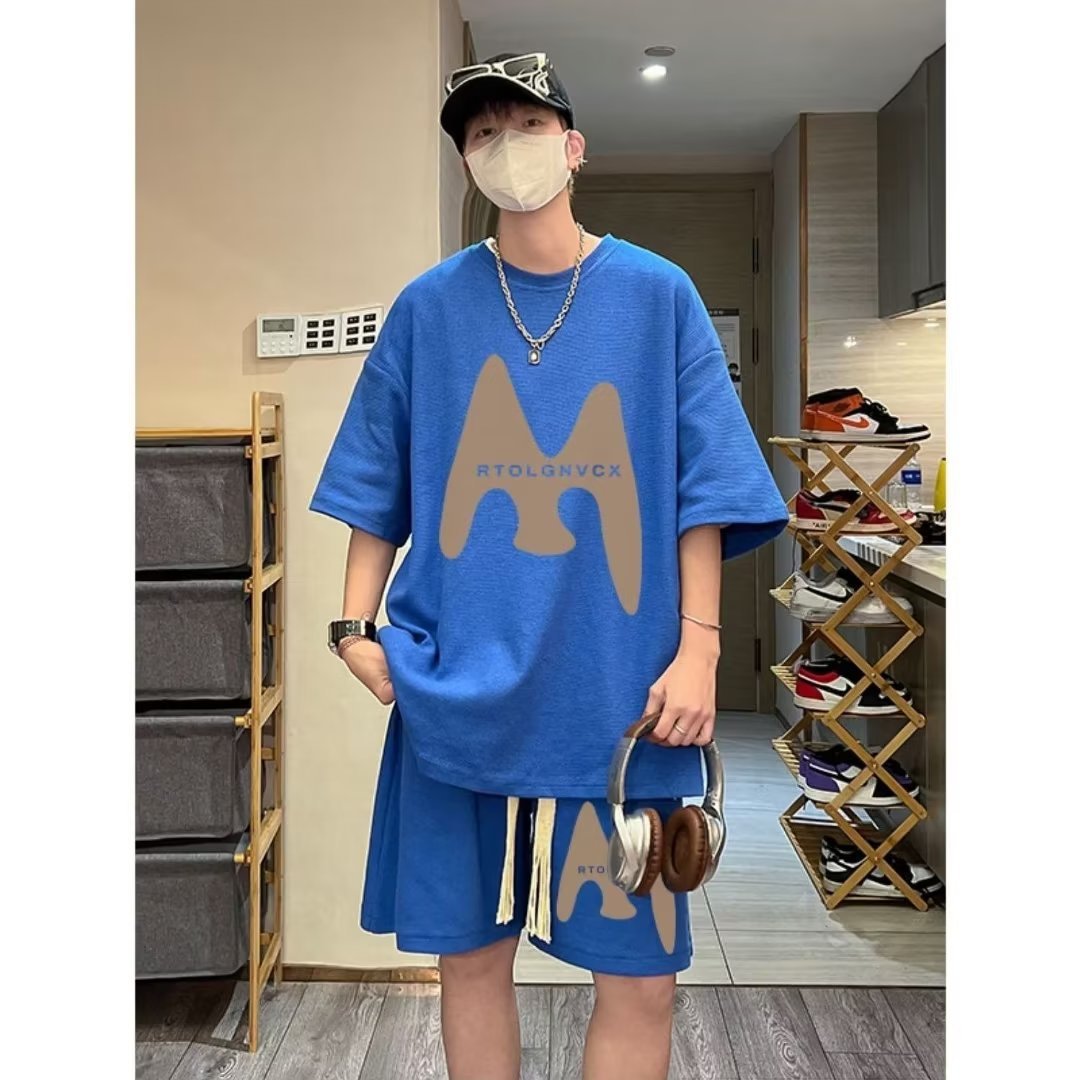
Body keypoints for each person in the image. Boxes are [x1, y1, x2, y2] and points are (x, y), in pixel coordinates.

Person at [310, 51, 788, 1080]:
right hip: (458, 690)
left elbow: (705, 487)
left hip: (622, 698)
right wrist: (353, 628)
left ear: (573, 148)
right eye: (482, 134)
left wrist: (702, 648)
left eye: (524, 126)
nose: (505, 147)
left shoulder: (658, 297)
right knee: (469, 963)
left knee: (641, 980)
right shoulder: (429, 308)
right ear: (466, 164)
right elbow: (374, 473)